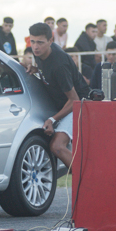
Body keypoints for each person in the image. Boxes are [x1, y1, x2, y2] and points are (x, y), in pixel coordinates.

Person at [24, 22, 91, 170]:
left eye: (40, 42)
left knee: (57, 146)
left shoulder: (59, 64)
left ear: (50, 41)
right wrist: (36, 70)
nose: (35, 47)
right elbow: (48, 71)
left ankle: (87, 179)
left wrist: (52, 119)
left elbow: (74, 99)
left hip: (80, 104)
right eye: (32, 41)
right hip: (63, 104)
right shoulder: (39, 53)